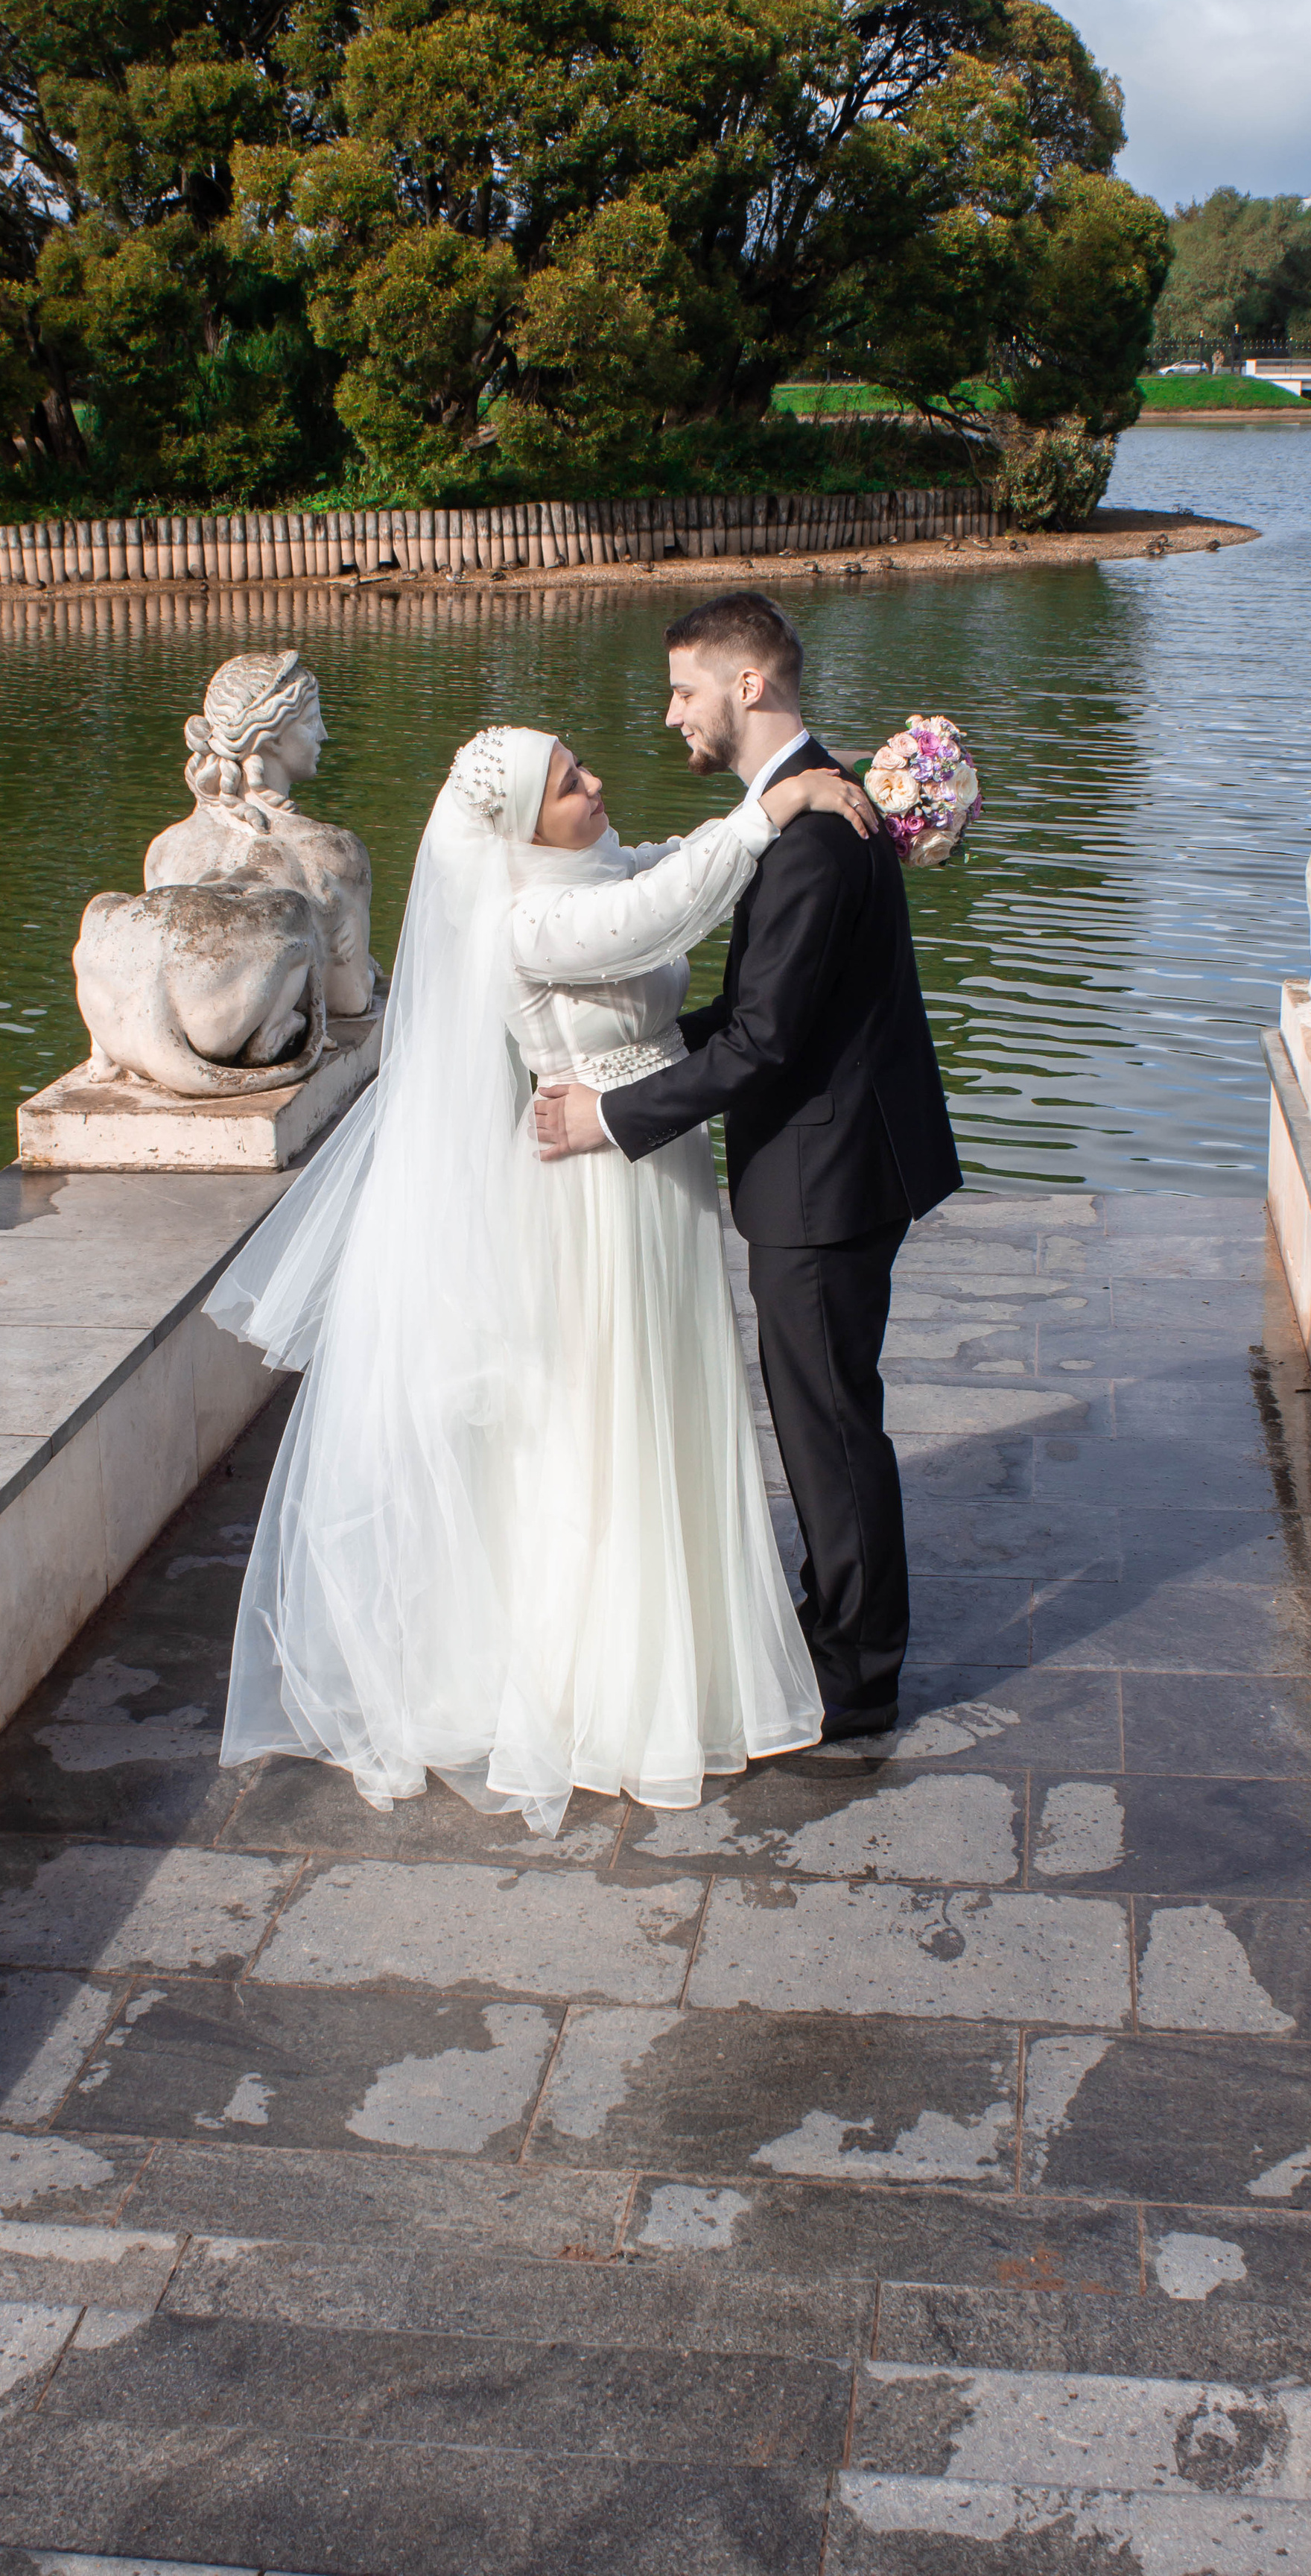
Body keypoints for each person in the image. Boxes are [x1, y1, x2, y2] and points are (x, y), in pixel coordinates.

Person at [206, 718, 876, 1835]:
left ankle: (683, 1641)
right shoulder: (529, 920)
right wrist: (775, 806)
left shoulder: (593, 867)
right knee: (607, 1418)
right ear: (523, 823)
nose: (596, 781)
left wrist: (799, 790)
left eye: (581, 765)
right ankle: (603, 1680)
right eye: (571, 781)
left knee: (666, 1401)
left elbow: (669, 863)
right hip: (597, 1191)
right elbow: (664, 909)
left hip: (652, 1166)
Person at [536, 592, 961, 1740]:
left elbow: (764, 1043)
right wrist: (641, 1056)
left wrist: (611, 1116)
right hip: (841, 1157)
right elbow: (761, 1010)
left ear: (748, 686)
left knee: (830, 1425)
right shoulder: (807, 806)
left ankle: (858, 1674)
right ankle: (838, 1619)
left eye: (685, 689)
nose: (671, 713)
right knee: (826, 1412)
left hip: (827, 1176)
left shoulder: (815, 835)